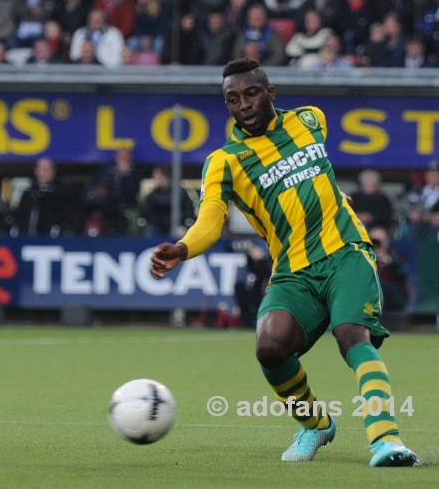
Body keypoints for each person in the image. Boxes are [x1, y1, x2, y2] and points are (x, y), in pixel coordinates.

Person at [150, 58, 419, 467]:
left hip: (345, 250)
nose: (244, 104)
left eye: (252, 93)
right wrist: (184, 248)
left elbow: (320, 180)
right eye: (233, 99)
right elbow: (210, 219)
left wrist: (334, 201)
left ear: (271, 93)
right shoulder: (224, 162)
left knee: (351, 334)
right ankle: (314, 424)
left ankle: (386, 440)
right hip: (293, 269)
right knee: (269, 346)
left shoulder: (311, 120)